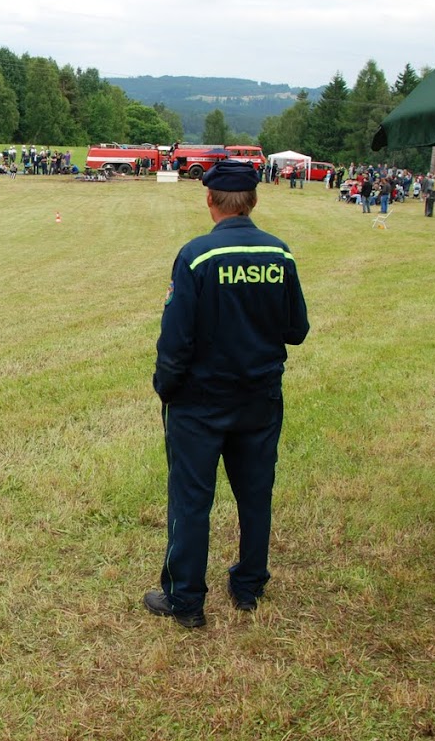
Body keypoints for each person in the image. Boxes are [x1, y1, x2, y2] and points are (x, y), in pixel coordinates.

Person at [143, 161, 309, 628]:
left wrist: (166, 386)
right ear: (253, 201)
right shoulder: (280, 255)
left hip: (200, 402)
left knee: (191, 499)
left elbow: (176, 339)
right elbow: (297, 329)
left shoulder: (196, 256)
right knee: (256, 494)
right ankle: (249, 585)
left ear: (210, 201)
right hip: (259, 398)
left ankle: (186, 600)